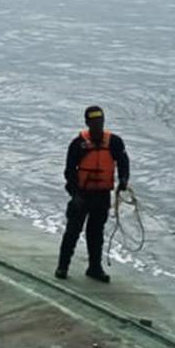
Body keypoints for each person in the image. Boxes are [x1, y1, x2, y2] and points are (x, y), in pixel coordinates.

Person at [57, 105, 130, 282]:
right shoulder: (77, 145)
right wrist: (75, 194)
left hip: (102, 195)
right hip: (81, 195)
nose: (97, 126)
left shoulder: (114, 142)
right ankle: (62, 266)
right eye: (94, 123)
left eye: (100, 122)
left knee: (96, 233)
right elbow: (69, 171)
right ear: (87, 123)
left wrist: (123, 180)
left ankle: (94, 268)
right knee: (73, 231)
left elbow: (123, 162)